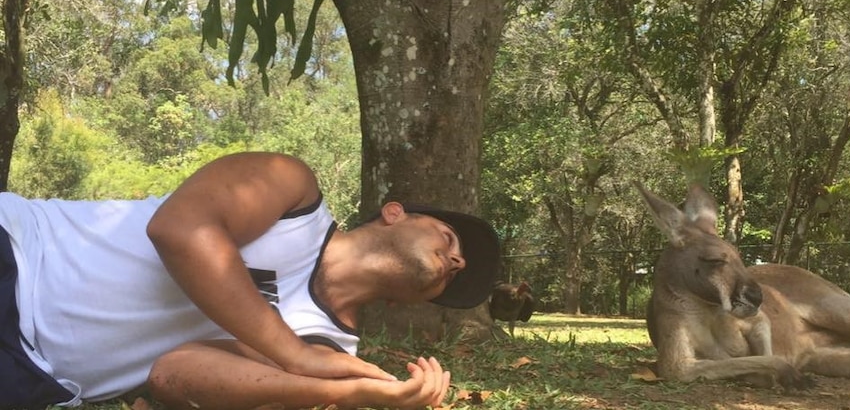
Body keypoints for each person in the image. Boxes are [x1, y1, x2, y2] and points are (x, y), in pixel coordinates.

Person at [0, 151, 501, 410]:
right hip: (20, 253)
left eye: (453, 278)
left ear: (407, 305)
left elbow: (174, 375)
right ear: (395, 213)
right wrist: (293, 354)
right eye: (451, 238)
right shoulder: (293, 191)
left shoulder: (334, 354)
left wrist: (353, 393)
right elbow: (178, 230)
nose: (456, 261)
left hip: (33, 373)